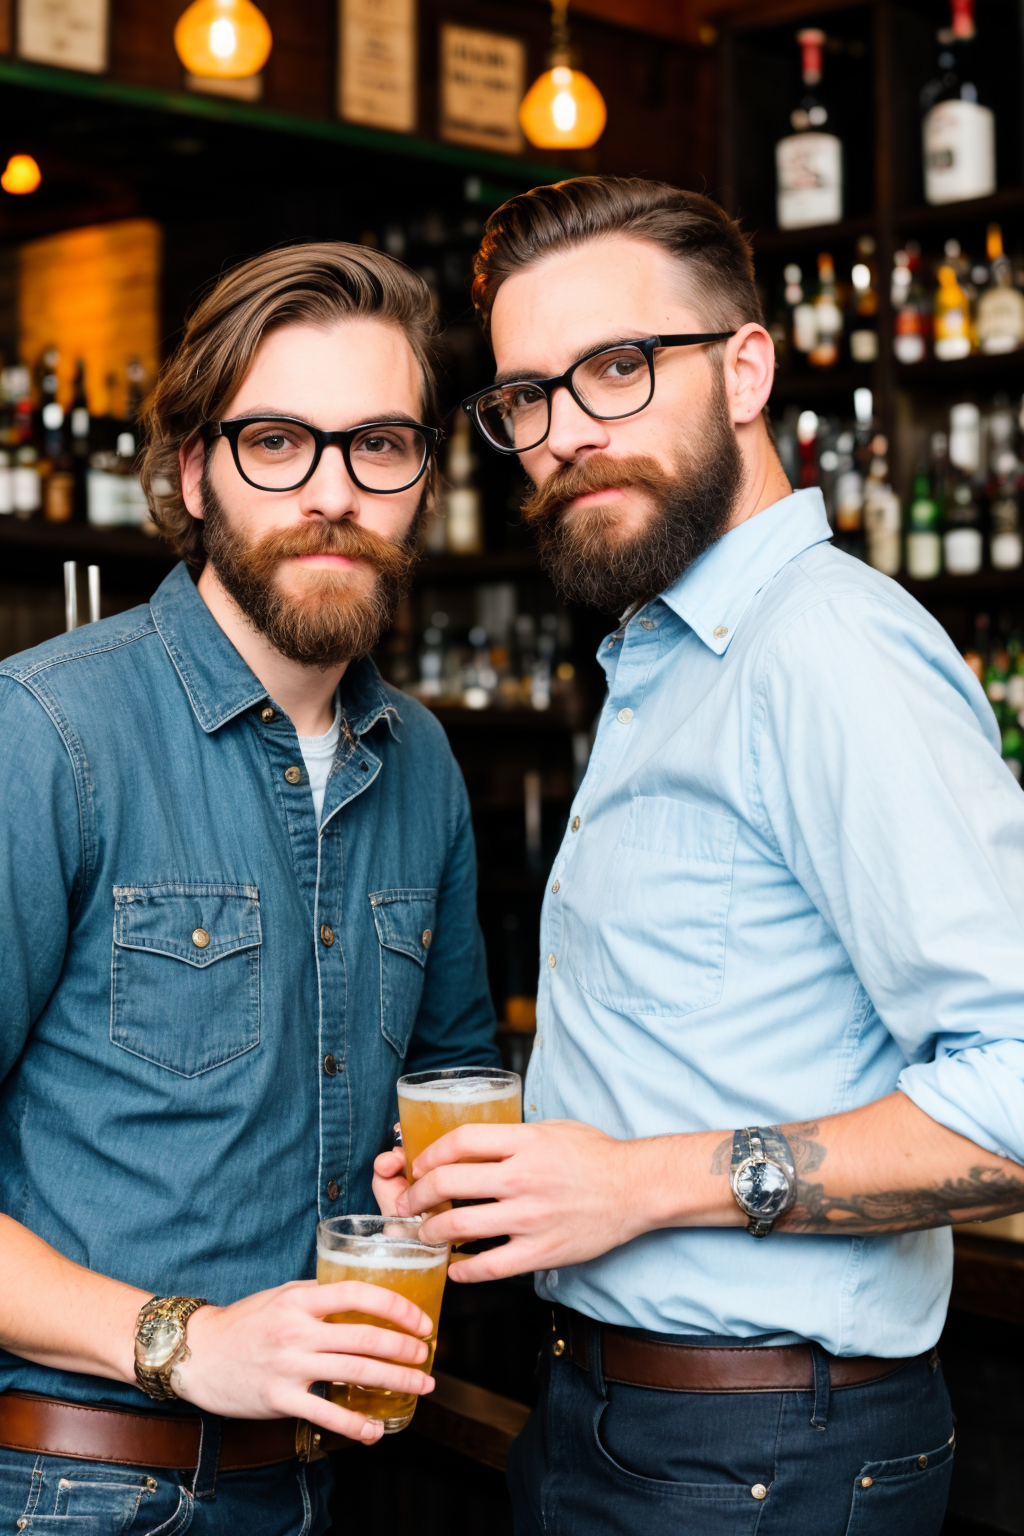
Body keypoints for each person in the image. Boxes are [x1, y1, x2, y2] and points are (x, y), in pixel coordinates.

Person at [374, 179, 1024, 1534]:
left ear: (745, 369)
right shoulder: (664, 659)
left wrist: (629, 1184)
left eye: (616, 368)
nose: (564, 436)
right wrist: (525, 1178)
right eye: (525, 399)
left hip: (768, 1452)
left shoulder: (824, 649)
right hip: (630, 1427)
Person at [0, 242, 496, 1534]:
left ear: (422, 482)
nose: (332, 493)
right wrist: (184, 1340)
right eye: (279, 442)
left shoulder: (425, 763)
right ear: (193, 471)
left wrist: (429, 1194)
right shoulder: (46, 734)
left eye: (379, 445)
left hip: (340, 1484)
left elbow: (446, 1108)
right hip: (77, 1487)